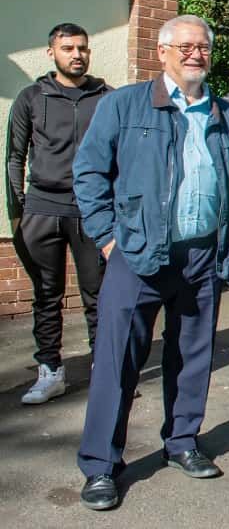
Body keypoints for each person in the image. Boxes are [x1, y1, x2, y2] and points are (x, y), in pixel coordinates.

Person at [72, 16, 229, 511]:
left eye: (203, 47)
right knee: (117, 361)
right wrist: (108, 239)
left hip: (200, 254)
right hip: (136, 254)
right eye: (185, 46)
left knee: (192, 356)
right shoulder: (125, 105)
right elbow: (88, 173)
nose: (195, 54)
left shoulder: (226, 113)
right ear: (162, 52)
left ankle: (183, 442)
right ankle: (101, 465)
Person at [6, 23, 110, 405]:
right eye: (68, 48)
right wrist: (17, 212)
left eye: (82, 48)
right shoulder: (31, 97)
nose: (77, 54)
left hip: (91, 212)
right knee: (46, 296)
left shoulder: (106, 98)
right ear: (52, 52)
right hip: (41, 210)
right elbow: (14, 156)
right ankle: (50, 372)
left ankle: (106, 371)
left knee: (98, 296)